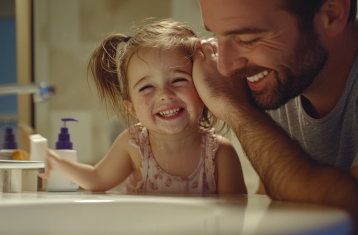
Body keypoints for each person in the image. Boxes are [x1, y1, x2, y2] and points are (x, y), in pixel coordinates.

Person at [175, 0, 358, 234]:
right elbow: (278, 207)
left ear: (332, 14)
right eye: (218, 35)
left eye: (248, 38)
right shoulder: (279, 80)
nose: (226, 66)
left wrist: (235, 108)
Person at [39, 20, 247, 195]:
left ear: (203, 87)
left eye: (178, 80)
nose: (165, 95)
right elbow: (96, 179)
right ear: (132, 109)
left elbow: (235, 216)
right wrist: (57, 163)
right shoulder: (133, 144)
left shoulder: (219, 154)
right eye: (147, 87)